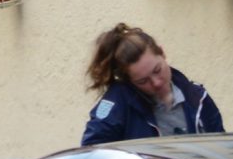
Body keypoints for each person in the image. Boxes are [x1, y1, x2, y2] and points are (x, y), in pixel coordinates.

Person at [80, 24, 223, 145]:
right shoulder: (117, 104)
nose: (156, 82)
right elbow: (91, 152)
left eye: (157, 70)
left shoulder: (198, 97)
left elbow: (222, 150)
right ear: (129, 81)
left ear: (162, 53)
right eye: (143, 81)